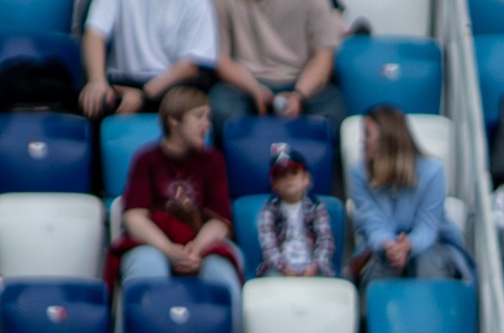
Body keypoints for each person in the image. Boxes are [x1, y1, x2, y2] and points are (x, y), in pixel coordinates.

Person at [111, 88, 240, 333]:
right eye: (199, 116)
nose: (207, 124)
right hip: (156, 243)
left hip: (200, 244)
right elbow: (134, 216)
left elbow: (220, 221)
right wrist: (168, 249)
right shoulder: (147, 159)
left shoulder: (213, 160)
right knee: (147, 267)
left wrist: (196, 249)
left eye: (208, 117)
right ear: (174, 121)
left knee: (224, 276)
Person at [350, 104, 469, 283]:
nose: (362, 142)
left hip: (432, 246)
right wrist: (390, 246)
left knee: (427, 263)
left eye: (367, 135)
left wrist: (408, 245)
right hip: (382, 249)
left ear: (387, 140)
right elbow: (371, 220)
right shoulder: (358, 172)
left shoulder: (433, 171)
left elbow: (428, 227)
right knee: (383, 268)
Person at [209, 0, 343, 130]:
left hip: (301, 80)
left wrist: (299, 95)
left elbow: (323, 57)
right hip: (245, 83)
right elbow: (222, 60)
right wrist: (255, 90)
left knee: (333, 113)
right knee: (221, 109)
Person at [82, 0, 214, 116]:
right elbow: (95, 32)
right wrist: (96, 81)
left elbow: (192, 65)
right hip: (120, 84)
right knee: (93, 100)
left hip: (169, 88)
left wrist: (144, 95)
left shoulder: (198, 3)